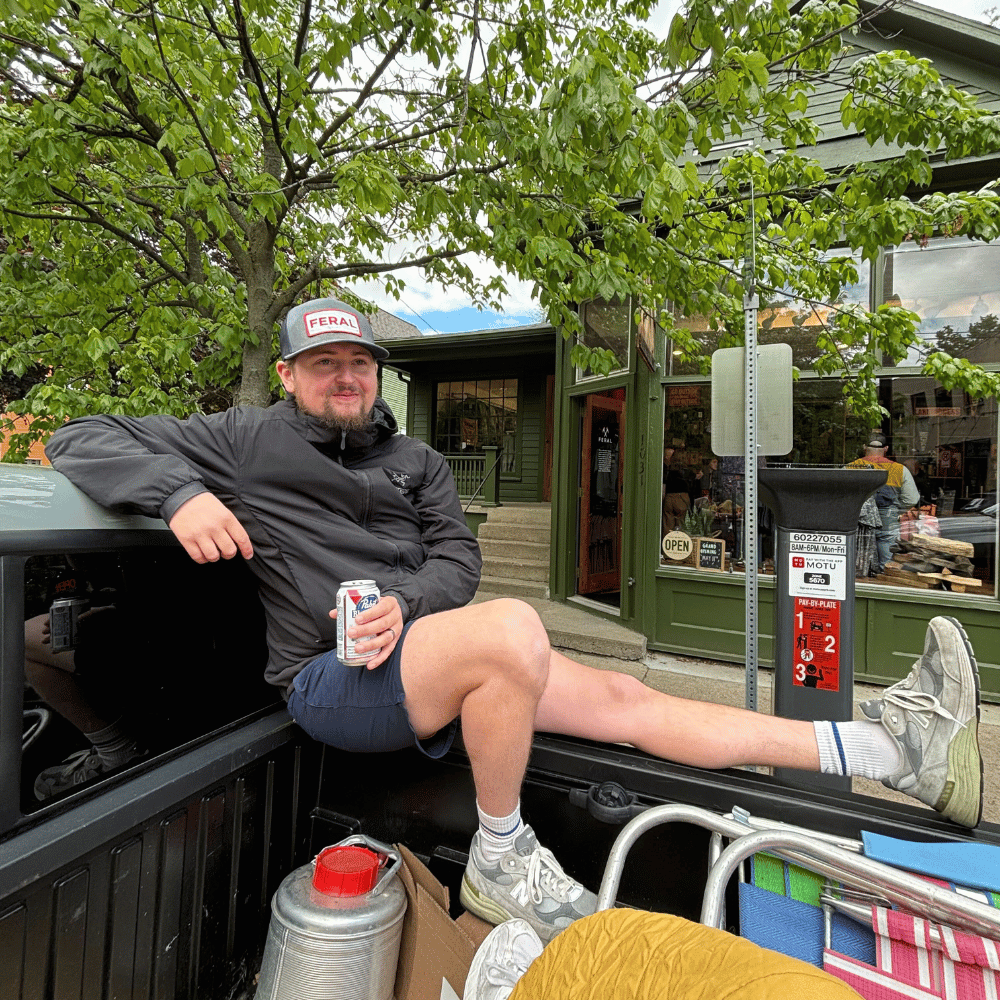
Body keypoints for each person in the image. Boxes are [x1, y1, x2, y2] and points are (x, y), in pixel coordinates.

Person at [45, 296, 984, 946]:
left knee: (624, 693)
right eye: (324, 364)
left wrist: (406, 605)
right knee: (511, 633)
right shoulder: (242, 440)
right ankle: (501, 855)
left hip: (420, 653)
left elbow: (459, 561)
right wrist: (180, 498)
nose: (345, 378)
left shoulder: (418, 462)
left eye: (358, 363)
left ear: (377, 373)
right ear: (290, 375)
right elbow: (80, 435)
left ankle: (889, 751)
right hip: (325, 684)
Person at [847, 435, 920, 573]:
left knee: (856, 558)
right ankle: (884, 580)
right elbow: (911, 499)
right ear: (886, 448)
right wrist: (895, 511)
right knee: (887, 562)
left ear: (864, 447)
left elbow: (839, 495)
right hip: (886, 516)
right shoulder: (899, 469)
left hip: (857, 518)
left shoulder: (850, 467)